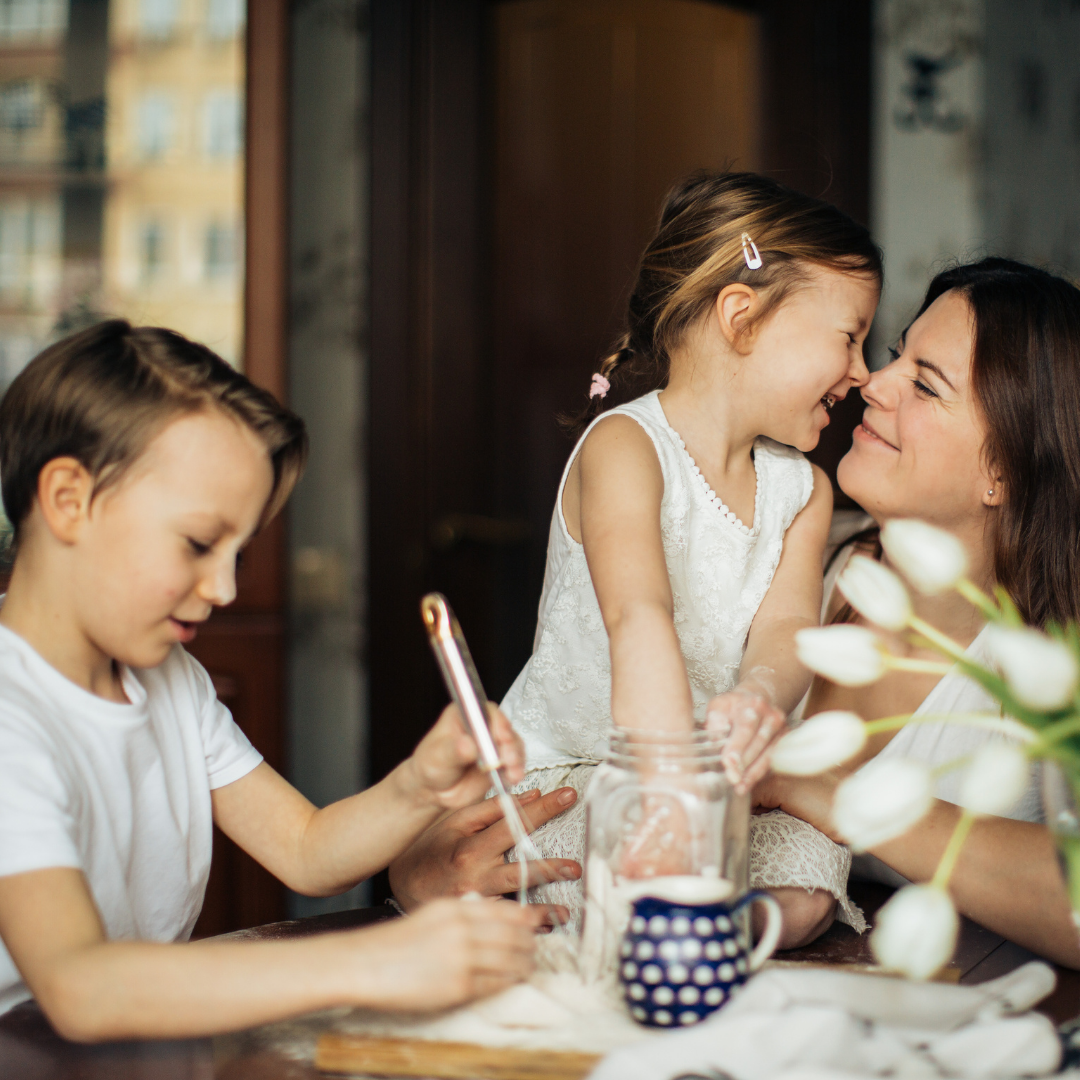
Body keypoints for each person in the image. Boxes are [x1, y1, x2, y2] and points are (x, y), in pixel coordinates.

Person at [0, 321, 545, 1041]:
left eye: (239, 552)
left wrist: (422, 784)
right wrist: (371, 962)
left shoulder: (172, 681)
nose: (224, 587)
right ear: (69, 499)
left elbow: (306, 849)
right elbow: (81, 987)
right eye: (198, 543)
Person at [486, 172, 882, 945]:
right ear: (742, 317)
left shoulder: (803, 489)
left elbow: (789, 626)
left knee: (809, 877)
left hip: (710, 788)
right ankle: (669, 918)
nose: (863, 372)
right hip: (577, 775)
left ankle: (709, 929)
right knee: (611, 877)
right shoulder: (626, 447)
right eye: (850, 337)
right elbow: (640, 618)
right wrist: (667, 798)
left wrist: (763, 695)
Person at [754, 257, 1080, 967]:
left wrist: (844, 796)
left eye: (926, 384)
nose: (873, 380)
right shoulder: (785, 554)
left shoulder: (1048, 670)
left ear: (1005, 472)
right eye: (898, 353)